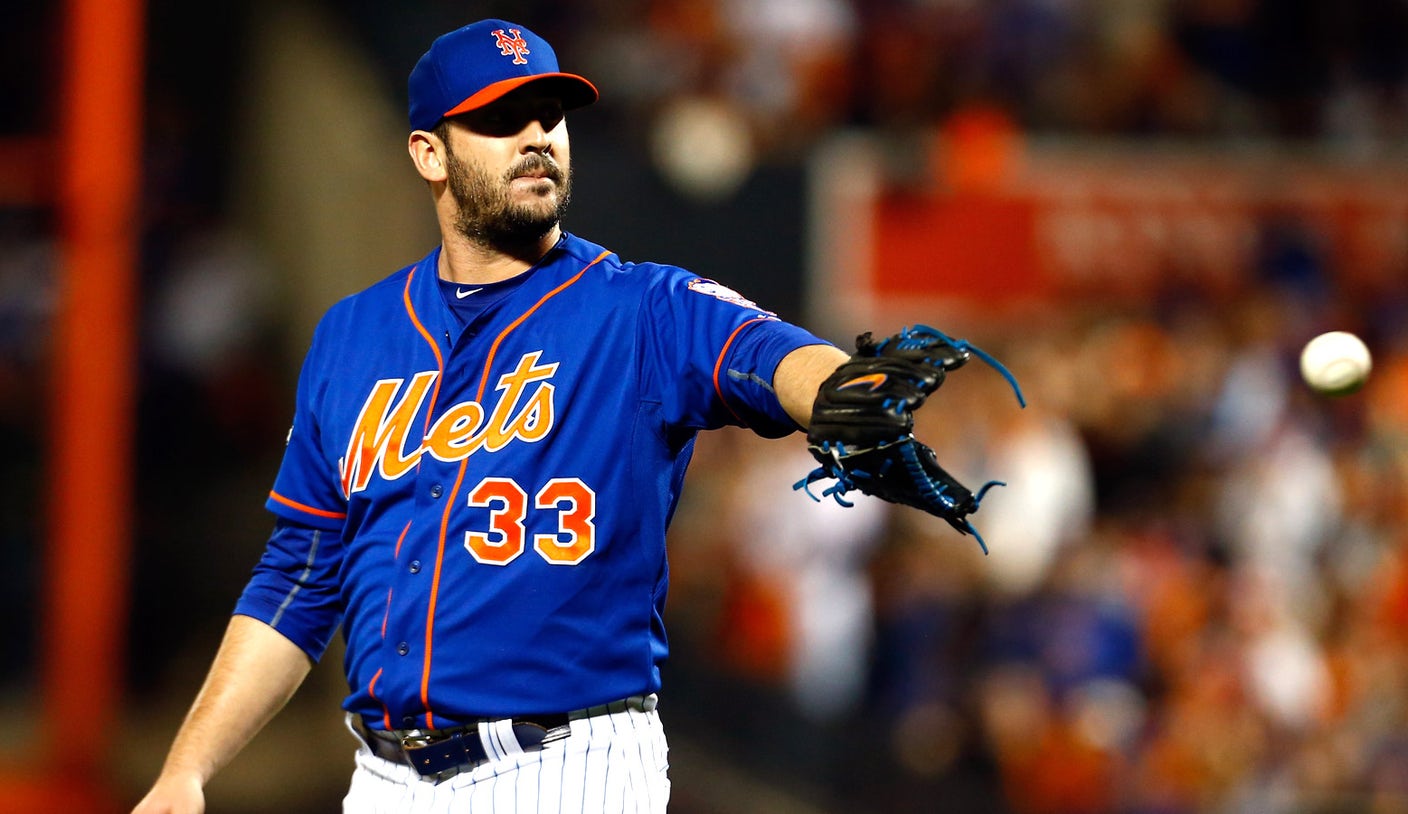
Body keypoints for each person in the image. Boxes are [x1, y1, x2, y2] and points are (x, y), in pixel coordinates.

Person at [132, 18, 988, 814]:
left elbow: (771, 357)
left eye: (552, 113)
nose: (539, 135)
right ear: (430, 154)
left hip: (566, 766)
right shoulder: (353, 335)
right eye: (504, 118)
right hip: (386, 777)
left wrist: (837, 391)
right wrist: (188, 767)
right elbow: (298, 576)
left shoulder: (639, 308)